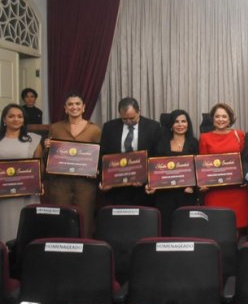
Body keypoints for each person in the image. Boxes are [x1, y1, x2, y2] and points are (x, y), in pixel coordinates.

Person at [45, 92, 101, 237]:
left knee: (85, 219)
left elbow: (100, 156)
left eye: (77, 104)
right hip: (60, 183)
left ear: (83, 107)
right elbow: (48, 157)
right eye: (70, 104)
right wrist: (47, 147)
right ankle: (61, 247)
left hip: (85, 184)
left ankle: (85, 246)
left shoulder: (94, 129)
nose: (74, 107)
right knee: (61, 218)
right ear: (65, 108)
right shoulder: (55, 128)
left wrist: (96, 170)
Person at [99, 97, 162, 206]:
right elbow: (103, 155)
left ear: (139, 112)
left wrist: (148, 180)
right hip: (116, 187)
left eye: (132, 118)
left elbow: (156, 156)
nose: (128, 122)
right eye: (124, 119)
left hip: (142, 188)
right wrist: (104, 180)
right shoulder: (109, 127)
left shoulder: (153, 127)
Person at [146, 109, 199, 235]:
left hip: (186, 194)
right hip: (164, 194)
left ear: (188, 124)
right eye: (176, 122)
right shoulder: (161, 143)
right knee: (165, 227)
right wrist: (151, 184)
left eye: (183, 121)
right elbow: (153, 167)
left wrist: (193, 186)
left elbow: (199, 168)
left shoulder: (194, 143)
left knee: (185, 228)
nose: (180, 125)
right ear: (171, 125)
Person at [199, 103, 248, 230]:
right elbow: (203, 165)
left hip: (237, 191)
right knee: (216, 227)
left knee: (238, 228)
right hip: (215, 192)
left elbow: (245, 160)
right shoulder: (204, 138)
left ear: (230, 119)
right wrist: (202, 182)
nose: (220, 119)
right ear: (212, 119)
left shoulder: (239, 135)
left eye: (224, 116)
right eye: (217, 116)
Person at [0, 104, 42, 243]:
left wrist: (39, 183)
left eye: (20, 116)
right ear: (4, 119)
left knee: (25, 229)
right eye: (11, 116)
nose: (16, 119)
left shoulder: (33, 139)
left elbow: (39, 166)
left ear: (24, 120)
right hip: (3, 195)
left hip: (27, 194)